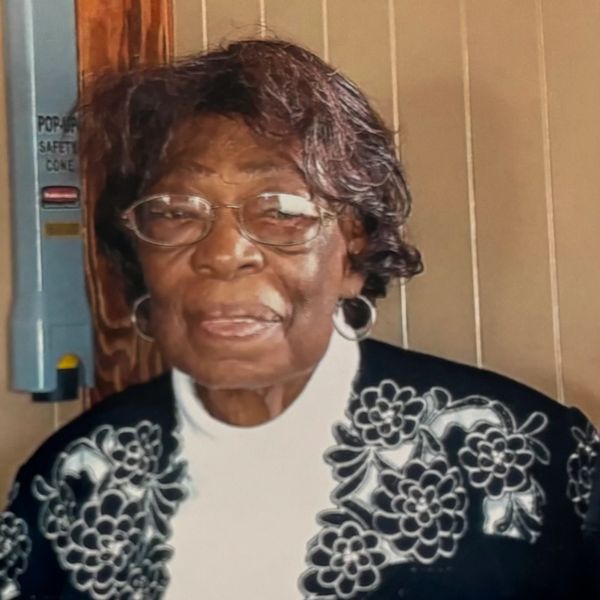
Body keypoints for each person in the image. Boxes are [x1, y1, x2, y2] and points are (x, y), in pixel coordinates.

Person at [1, 39, 598, 600]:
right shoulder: (73, 480)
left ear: (353, 250)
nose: (224, 253)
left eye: (283, 210)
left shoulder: (525, 453)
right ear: (140, 255)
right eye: (177, 212)